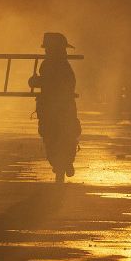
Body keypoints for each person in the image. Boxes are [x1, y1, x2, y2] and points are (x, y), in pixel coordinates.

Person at [28, 32, 81, 183]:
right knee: (67, 134)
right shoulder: (65, 66)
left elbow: (46, 82)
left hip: (50, 107)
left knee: (51, 135)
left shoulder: (48, 65)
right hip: (65, 106)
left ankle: (59, 164)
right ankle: (65, 163)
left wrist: (33, 82)